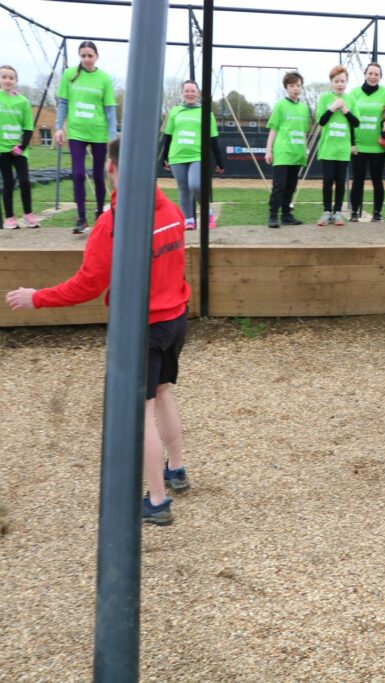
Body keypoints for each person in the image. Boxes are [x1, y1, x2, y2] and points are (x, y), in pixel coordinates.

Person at [5, 137, 192, 526]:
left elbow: (88, 284)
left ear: (111, 168)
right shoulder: (172, 209)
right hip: (175, 320)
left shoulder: (115, 223)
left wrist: (36, 297)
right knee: (163, 393)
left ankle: (157, 500)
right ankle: (176, 469)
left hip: (148, 328)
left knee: (140, 414)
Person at [55, 40, 117, 235]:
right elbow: (63, 103)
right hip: (76, 132)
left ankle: (100, 213)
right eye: (83, 56)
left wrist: (112, 136)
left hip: (98, 132)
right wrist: (58, 127)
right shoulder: (69, 75)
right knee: (78, 174)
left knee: (99, 175)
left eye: (90, 55)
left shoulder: (104, 79)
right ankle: (81, 217)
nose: (87, 59)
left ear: (96, 56)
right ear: (79, 56)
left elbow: (109, 110)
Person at [161, 80, 224, 231]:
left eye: (192, 91)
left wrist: (219, 161)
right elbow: (168, 136)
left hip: (197, 155)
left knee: (195, 185)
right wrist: (164, 156)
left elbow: (213, 139)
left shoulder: (206, 112)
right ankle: (189, 220)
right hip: (177, 156)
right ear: (182, 93)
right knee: (183, 189)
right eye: (187, 91)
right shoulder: (175, 111)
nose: (190, 94)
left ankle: (207, 212)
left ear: (198, 92)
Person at [314, 65, 360, 227]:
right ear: (331, 82)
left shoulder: (351, 99)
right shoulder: (325, 98)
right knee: (328, 181)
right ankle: (327, 212)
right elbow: (321, 121)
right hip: (328, 149)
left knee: (341, 182)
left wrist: (345, 109)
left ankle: (338, 212)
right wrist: (333, 108)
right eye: (336, 81)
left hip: (342, 150)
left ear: (346, 82)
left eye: (343, 81)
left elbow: (356, 122)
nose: (340, 84)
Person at [265, 71, 309, 228]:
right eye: (292, 85)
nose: (295, 88)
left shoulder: (304, 108)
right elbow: (273, 129)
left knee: (291, 186)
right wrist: (268, 150)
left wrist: (305, 150)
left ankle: (286, 215)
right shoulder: (280, 105)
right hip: (283, 153)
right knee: (279, 186)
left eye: (298, 85)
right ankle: (272, 215)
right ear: (286, 88)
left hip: (297, 154)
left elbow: (303, 132)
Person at [348, 63, 385, 223]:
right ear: (365, 74)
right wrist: (352, 143)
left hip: (377, 146)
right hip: (359, 146)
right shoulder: (354, 93)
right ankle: (354, 212)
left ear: (380, 76)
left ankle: (377, 213)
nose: (373, 76)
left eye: (377, 74)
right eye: (371, 73)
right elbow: (350, 120)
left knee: (377, 180)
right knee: (358, 180)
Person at [0, 65, 37, 229]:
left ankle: (28, 214)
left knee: (24, 181)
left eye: (11, 77)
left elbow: (28, 127)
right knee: (8, 183)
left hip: (19, 150)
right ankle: (9, 218)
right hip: (2, 151)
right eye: (4, 77)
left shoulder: (23, 102)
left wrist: (21, 147)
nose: (7, 80)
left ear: (16, 80)